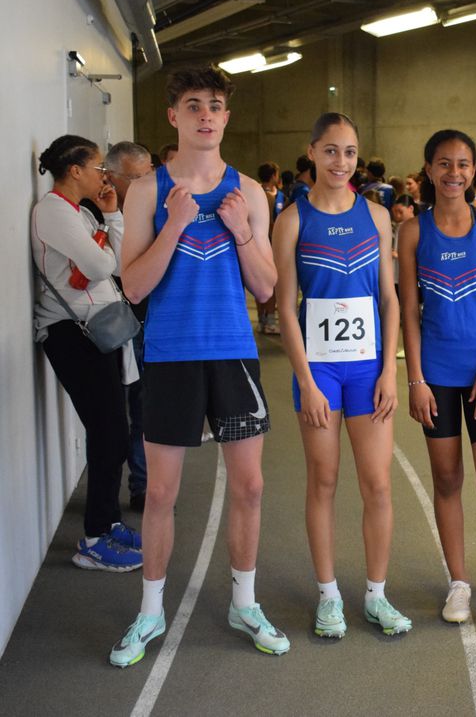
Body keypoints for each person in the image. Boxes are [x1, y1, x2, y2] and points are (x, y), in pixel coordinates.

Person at [110, 65, 287, 666]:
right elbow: (133, 286)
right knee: (160, 493)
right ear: (174, 116)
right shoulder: (146, 192)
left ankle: (245, 602)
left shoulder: (249, 194)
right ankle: (150, 613)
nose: (206, 114)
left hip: (233, 353)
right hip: (170, 355)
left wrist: (241, 231)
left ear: (226, 117)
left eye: (215, 105)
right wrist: (176, 225)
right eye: (193, 105)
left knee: (251, 486)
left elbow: (266, 287)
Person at [273, 112, 410, 639]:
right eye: (331, 151)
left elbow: (390, 299)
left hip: (369, 368)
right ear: (312, 152)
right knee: (324, 481)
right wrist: (306, 380)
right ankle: (328, 595)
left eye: (350, 152)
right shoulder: (292, 219)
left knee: (377, 483)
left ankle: (376, 595)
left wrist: (390, 371)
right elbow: (285, 307)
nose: (341, 161)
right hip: (321, 370)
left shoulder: (376, 217)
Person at [398, 129, 476, 634]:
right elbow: (409, 310)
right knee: (448, 481)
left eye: (464, 164)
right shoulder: (412, 231)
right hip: (437, 377)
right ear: (428, 170)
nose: (455, 173)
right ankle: (459, 582)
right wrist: (415, 379)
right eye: (444, 164)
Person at [31, 135, 142, 571]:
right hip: (70, 333)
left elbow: (118, 259)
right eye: (97, 167)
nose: (103, 174)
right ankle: (94, 539)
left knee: (114, 430)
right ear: (74, 170)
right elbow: (100, 267)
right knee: (109, 432)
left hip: (96, 331)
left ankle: (109, 522)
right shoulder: (53, 212)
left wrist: (112, 214)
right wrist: (103, 250)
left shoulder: (78, 211)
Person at [104, 141, 155, 512]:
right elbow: (118, 269)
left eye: (148, 174)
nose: (145, 183)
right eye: (135, 178)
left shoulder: (157, 209)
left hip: (152, 324)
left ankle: (144, 488)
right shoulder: (97, 214)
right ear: (111, 176)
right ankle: (107, 497)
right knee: (111, 418)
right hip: (112, 329)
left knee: (145, 411)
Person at [256, 161, 284, 335]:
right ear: (274, 175)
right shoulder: (257, 193)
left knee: (271, 282)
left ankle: (268, 318)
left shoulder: (278, 194)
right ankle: (265, 319)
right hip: (263, 243)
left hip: (273, 242)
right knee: (265, 282)